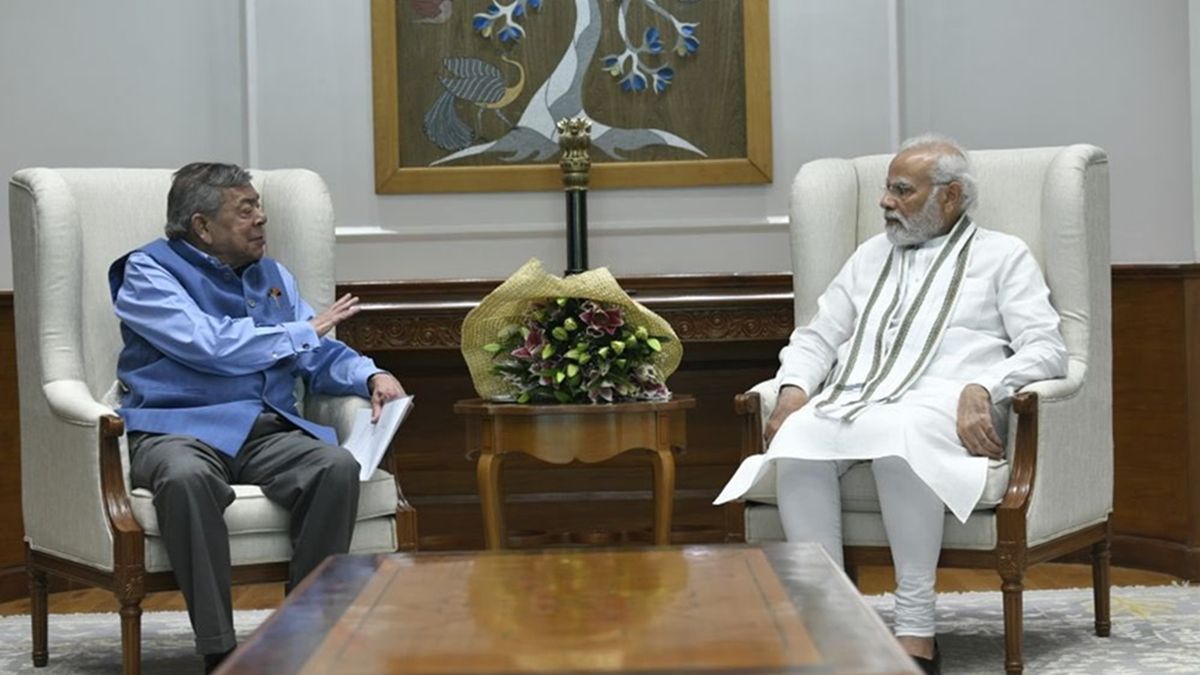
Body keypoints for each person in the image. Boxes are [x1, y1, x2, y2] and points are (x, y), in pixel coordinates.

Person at [715, 134, 1068, 674]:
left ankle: (915, 633)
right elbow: (818, 336)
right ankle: (830, 628)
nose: (885, 201)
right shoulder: (869, 256)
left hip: (944, 404)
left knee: (899, 439)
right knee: (799, 438)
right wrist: (793, 389)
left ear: (950, 196)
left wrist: (983, 387)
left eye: (902, 190)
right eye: (887, 189)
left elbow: (1046, 348)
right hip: (857, 397)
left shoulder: (1003, 255)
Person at [108, 162, 406, 673]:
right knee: (185, 479)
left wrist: (370, 374)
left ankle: (303, 635)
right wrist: (303, 332)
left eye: (259, 207)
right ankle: (219, 650)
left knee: (334, 466)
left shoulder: (274, 277)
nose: (261, 219)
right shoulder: (147, 272)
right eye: (246, 210)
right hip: (177, 427)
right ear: (202, 226)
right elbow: (208, 345)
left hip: (263, 428)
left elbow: (316, 354)